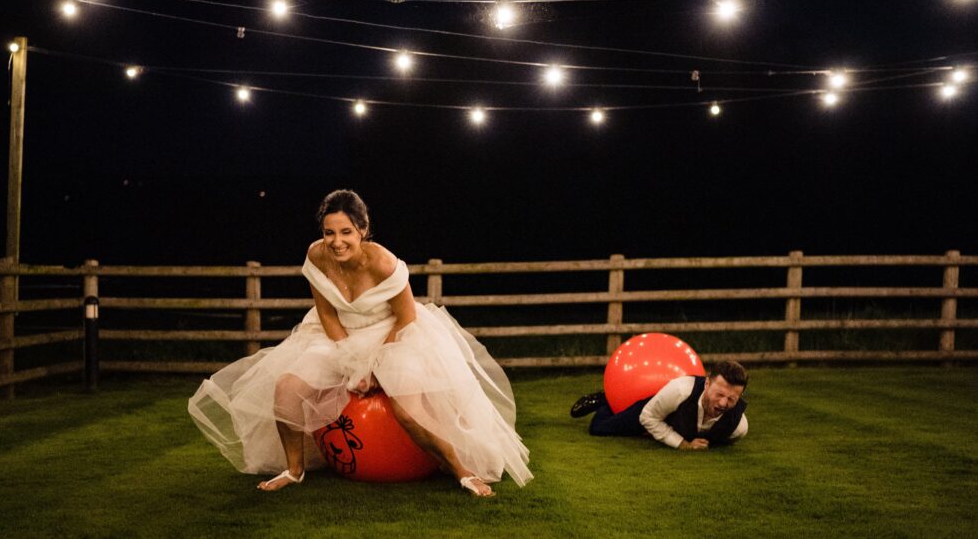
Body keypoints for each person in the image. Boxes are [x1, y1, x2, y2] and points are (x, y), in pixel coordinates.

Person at [188, 190, 532, 496]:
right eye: (329, 233)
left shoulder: (383, 263)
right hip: (338, 335)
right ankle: (293, 471)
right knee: (286, 389)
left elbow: (407, 318)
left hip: (395, 335)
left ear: (363, 231)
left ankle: (463, 472)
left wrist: (372, 364)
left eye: (346, 232)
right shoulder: (317, 257)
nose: (337, 242)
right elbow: (328, 315)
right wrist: (352, 362)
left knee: (406, 411)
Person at [570, 360, 749, 450]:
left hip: (674, 421)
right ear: (707, 384)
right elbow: (647, 417)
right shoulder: (680, 390)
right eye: (719, 395)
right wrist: (683, 444)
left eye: (732, 399)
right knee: (599, 428)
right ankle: (606, 399)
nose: (724, 403)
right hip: (659, 408)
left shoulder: (738, 428)